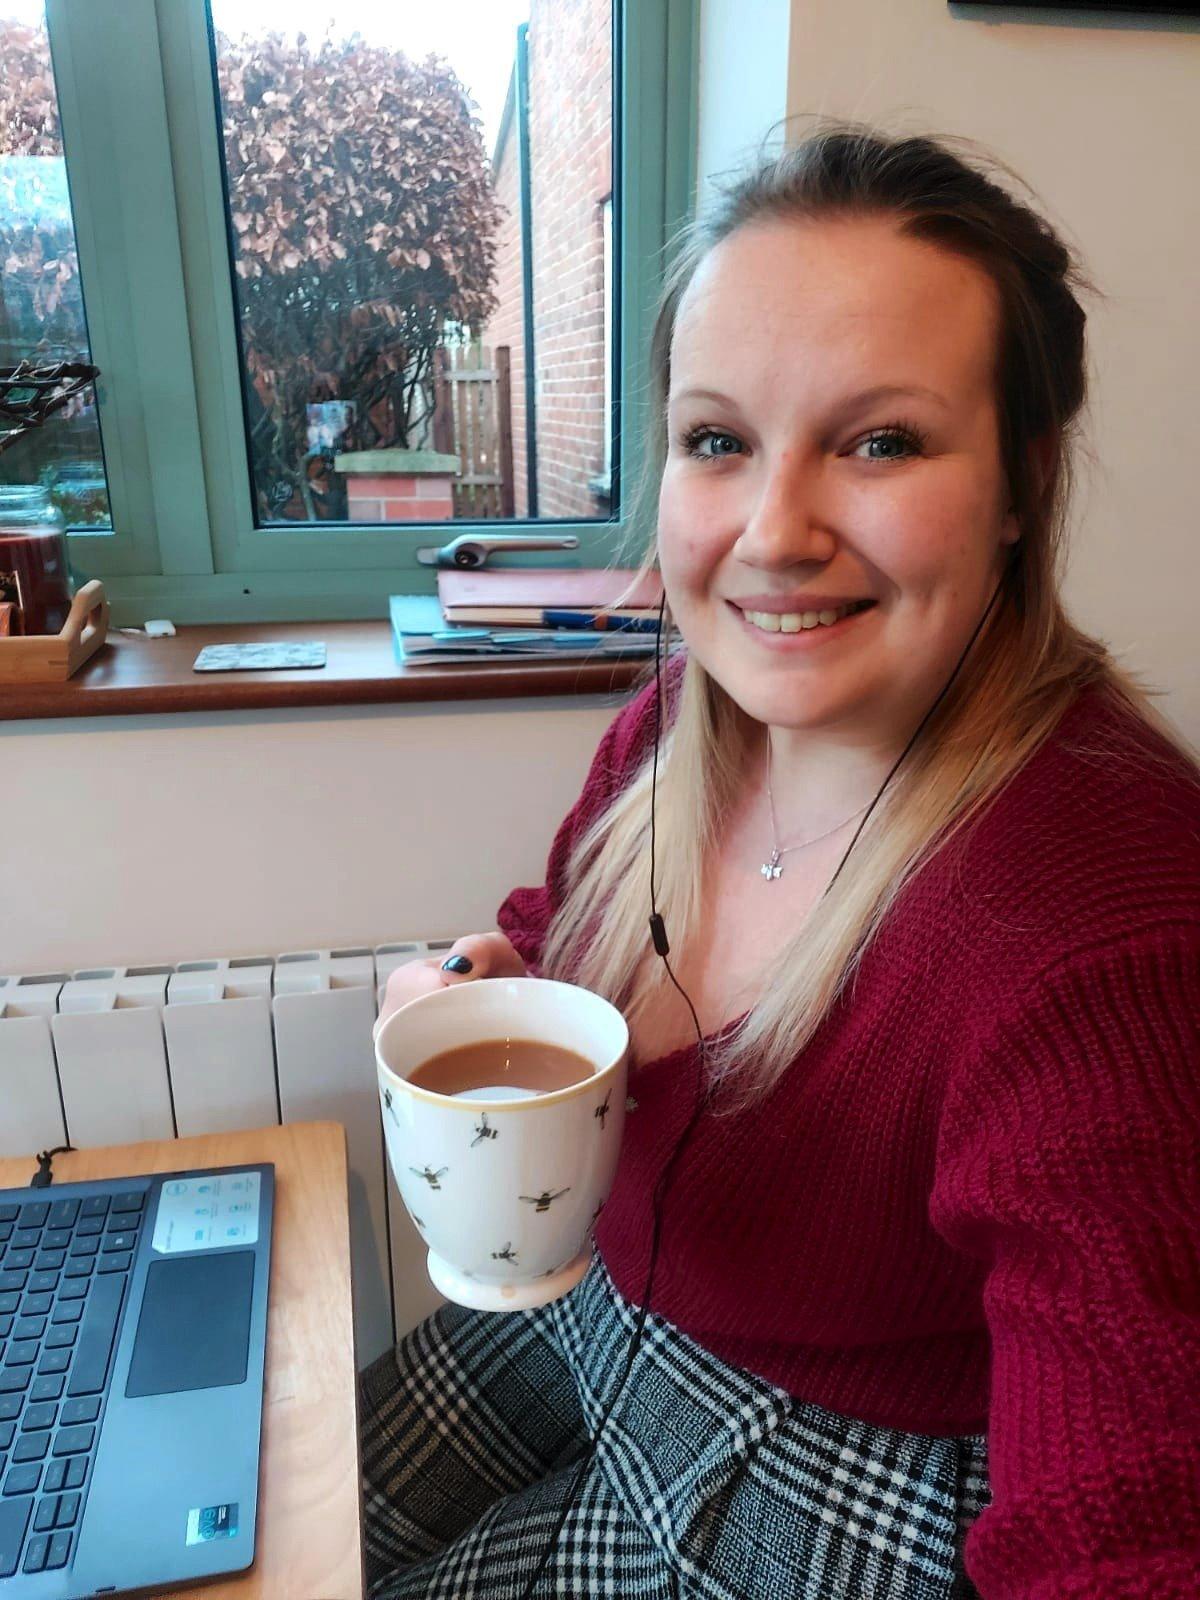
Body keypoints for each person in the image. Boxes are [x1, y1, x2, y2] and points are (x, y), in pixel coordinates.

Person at [359, 122, 1200, 1599]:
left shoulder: (1110, 927)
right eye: (718, 441)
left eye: (881, 441)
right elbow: (565, 928)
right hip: (583, 1311)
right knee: (264, 1518)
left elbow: (1135, 1521)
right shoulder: (681, 723)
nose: (772, 532)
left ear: (1020, 482)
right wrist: (490, 976)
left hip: (827, 1481)